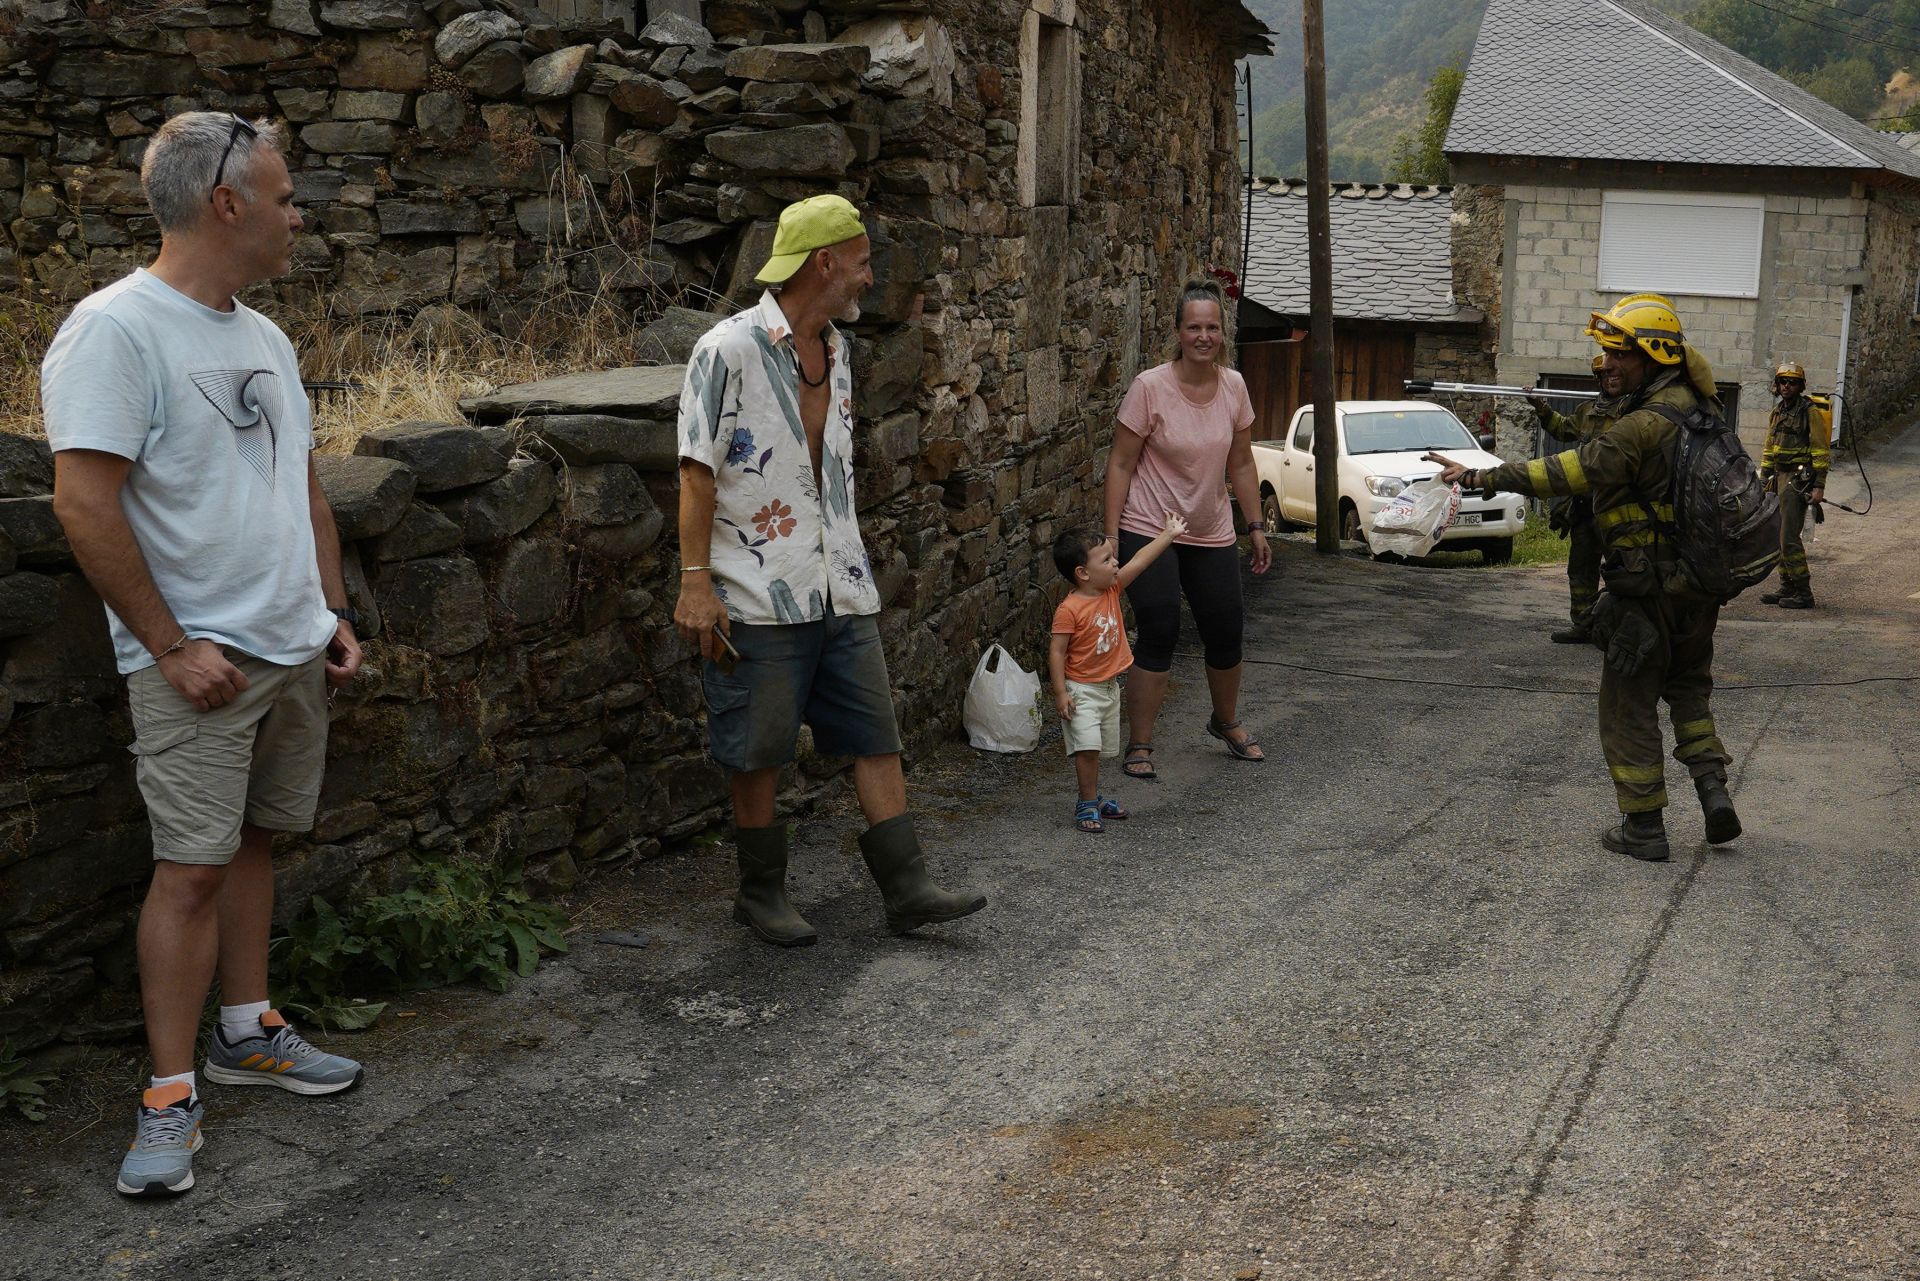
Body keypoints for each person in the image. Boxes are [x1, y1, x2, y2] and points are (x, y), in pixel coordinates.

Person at [43, 112, 366, 1198]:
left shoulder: (263, 335)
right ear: (227, 205)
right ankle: (170, 1095)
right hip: (200, 662)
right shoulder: (115, 331)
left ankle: (247, 1030)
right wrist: (170, 647)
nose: (296, 215)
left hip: (286, 646)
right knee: (186, 871)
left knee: (256, 844)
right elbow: (84, 504)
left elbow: (301, 484)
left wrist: (329, 612)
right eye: (284, 197)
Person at [673, 194, 986, 947]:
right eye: (863, 262)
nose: (868, 279)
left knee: (875, 730)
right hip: (754, 584)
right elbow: (696, 470)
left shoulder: (841, 354)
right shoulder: (727, 349)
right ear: (825, 262)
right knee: (759, 745)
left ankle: (907, 887)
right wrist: (695, 581)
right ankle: (760, 892)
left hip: (838, 579)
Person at [1425, 294, 1742, 863]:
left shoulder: (1644, 426)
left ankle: (1643, 828)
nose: (1607, 365)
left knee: (1629, 705)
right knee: (1690, 689)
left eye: (1620, 353)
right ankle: (1713, 788)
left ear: (1656, 355)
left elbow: (1570, 469)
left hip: (1646, 593)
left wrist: (1480, 474)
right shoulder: (1705, 416)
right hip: (1698, 590)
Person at [1102, 278, 1272, 781]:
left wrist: (1256, 525)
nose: (1204, 336)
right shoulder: (1150, 387)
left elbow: (1241, 463)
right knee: (1159, 627)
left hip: (1211, 525)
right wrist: (1112, 539)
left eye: (1212, 328)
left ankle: (1225, 721)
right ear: (1178, 331)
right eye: (1194, 327)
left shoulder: (1234, 387)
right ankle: (1140, 744)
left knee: (1225, 629)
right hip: (1149, 526)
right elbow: (1119, 463)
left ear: (1223, 333)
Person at [1049, 512, 1187, 833]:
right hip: (1081, 690)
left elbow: (1139, 561)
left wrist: (1168, 535)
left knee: (1100, 750)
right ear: (1083, 573)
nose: (1115, 564)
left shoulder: (1111, 590)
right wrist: (1060, 692)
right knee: (1088, 749)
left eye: (1113, 559)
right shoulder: (1069, 610)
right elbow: (1056, 652)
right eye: (1107, 560)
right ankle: (1086, 803)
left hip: (1110, 688)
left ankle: (1094, 798)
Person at [1528, 354, 1629, 644]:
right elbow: (1562, 429)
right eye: (1604, 376)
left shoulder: (1633, 412)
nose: (1610, 379)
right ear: (1598, 380)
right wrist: (1541, 408)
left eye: (1615, 375)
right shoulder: (1588, 411)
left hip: (1617, 507)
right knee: (1581, 570)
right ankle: (1583, 624)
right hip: (1585, 507)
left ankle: (1622, 628)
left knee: (1622, 571)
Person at [1758, 360, 1831, 609]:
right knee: (1778, 536)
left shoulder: (1809, 412)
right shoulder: (1778, 411)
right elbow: (1769, 447)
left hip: (1796, 480)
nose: (1786, 386)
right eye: (1782, 381)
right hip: (1777, 478)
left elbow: (1821, 451)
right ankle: (1787, 586)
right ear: (1776, 385)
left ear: (1800, 386)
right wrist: (1763, 478)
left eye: (1792, 382)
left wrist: (1818, 486)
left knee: (1789, 537)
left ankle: (1803, 591)